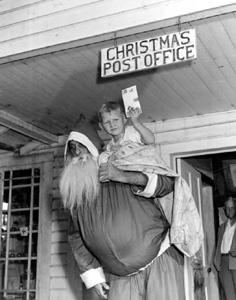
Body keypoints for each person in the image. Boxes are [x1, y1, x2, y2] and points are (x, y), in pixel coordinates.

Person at [59, 115, 186, 300]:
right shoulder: (75, 197)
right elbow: (76, 239)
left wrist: (124, 176)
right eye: (72, 149)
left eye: (81, 146)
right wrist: (93, 277)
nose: (77, 153)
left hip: (158, 259)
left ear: (94, 149)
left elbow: (167, 185)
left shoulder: (120, 162)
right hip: (120, 275)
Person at [214, 196, 236, 300]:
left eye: (232, 208)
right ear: (224, 209)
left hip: (235, 262)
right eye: (227, 208)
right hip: (223, 263)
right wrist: (217, 262)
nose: (230, 210)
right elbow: (218, 246)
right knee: (229, 295)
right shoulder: (222, 227)